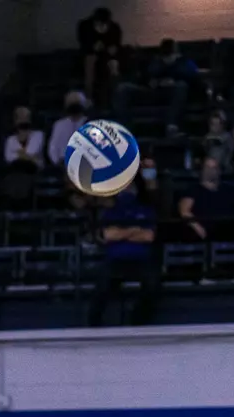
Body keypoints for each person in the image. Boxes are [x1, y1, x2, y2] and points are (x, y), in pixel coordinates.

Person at [93, 171, 159, 325]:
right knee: (101, 286)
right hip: (115, 259)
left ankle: (137, 322)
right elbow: (109, 235)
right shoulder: (112, 211)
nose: (128, 187)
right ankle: (94, 325)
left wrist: (122, 232)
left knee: (153, 285)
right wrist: (134, 231)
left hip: (141, 260)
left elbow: (148, 236)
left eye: (130, 184)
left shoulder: (145, 210)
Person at [77, 6, 122, 107]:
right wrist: (93, 46)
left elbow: (116, 45)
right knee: (90, 63)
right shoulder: (85, 26)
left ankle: (115, 97)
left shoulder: (114, 28)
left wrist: (110, 48)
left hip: (107, 56)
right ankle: (89, 97)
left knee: (114, 65)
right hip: (90, 55)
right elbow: (83, 44)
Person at [48, 90, 89, 168]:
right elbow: (52, 148)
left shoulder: (90, 124)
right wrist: (57, 163)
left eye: (76, 102)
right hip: (62, 164)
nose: (74, 106)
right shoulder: (59, 124)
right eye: (71, 103)